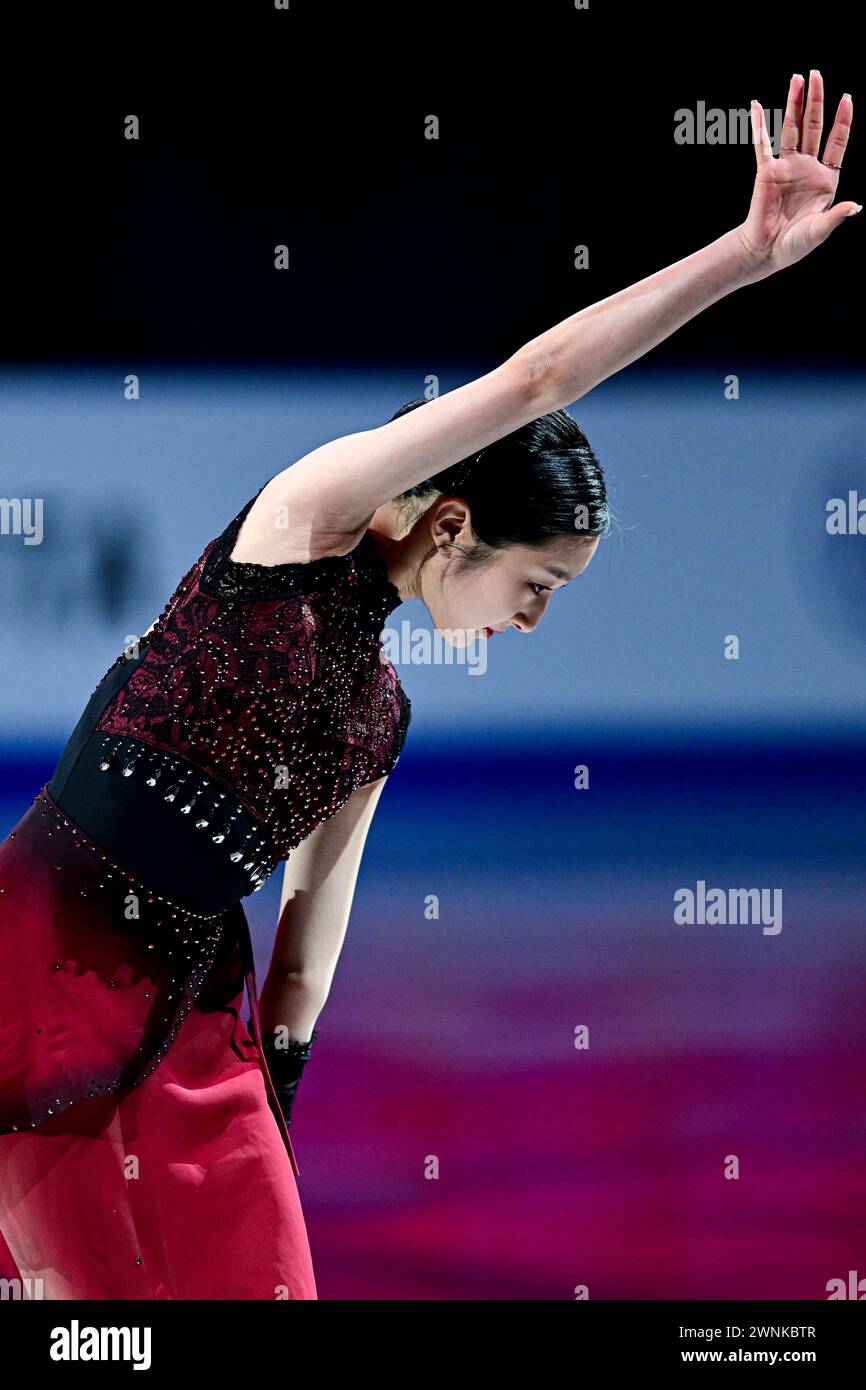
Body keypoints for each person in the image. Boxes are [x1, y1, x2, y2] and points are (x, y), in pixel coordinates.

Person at [0, 74, 855, 1300]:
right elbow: (533, 381)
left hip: (203, 1015)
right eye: (537, 577)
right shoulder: (300, 521)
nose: (534, 615)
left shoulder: (379, 716)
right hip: (40, 969)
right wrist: (737, 257)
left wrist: (271, 1094)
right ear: (451, 519)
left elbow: (309, 936)